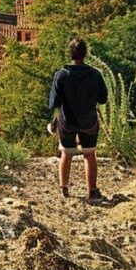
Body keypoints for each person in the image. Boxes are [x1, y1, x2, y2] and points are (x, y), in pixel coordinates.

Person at [48, 37, 108, 203]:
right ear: (85, 54)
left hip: (67, 122)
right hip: (89, 121)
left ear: (70, 54)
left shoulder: (61, 75)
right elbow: (103, 99)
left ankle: (64, 189)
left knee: (66, 153)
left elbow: (54, 103)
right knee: (89, 154)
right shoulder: (96, 75)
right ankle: (92, 191)